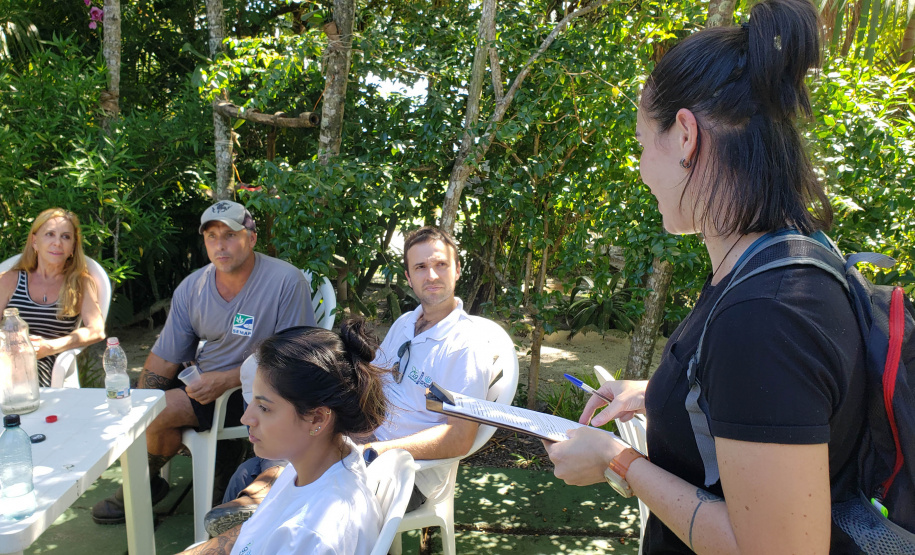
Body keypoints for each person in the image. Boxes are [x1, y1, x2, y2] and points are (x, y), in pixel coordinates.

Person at [544, 2, 868, 553]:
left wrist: (615, 460)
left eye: (644, 144)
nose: (643, 167)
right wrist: (654, 394)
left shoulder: (770, 310)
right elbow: (767, 407)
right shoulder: (776, 258)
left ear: (686, 136)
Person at [205, 226, 493, 534]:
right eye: (420, 267)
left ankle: (262, 500)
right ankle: (258, 499)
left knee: (285, 493)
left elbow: (460, 436)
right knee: (251, 467)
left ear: (457, 269)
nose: (431, 275)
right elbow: (375, 383)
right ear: (408, 277)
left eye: (440, 264)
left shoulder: (466, 343)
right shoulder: (406, 323)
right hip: (363, 441)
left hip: (404, 472)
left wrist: (380, 451)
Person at [91, 200, 316, 525]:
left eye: (230, 235)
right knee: (144, 409)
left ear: (251, 238)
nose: (220, 245)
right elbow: (165, 356)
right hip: (199, 382)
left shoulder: (285, 282)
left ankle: (142, 486)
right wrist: (138, 403)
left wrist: (226, 380)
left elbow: (295, 358)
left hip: (257, 389)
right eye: (212, 236)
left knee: (160, 413)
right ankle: (151, 482)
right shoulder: (193, 286)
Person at [182, 321, 389, 555]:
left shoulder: (313, 535)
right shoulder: (314, 466)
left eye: (264, 408)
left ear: (317, 419)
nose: (245, 418)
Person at [0, 208, 105, 387]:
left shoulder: (80, 283)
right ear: (34, 241)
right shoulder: (10, 279)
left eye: (66, 237)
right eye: (49, 234)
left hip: (45, 364)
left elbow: (97, 331)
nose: (57, 242)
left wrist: (50, 347)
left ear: (73, 247)